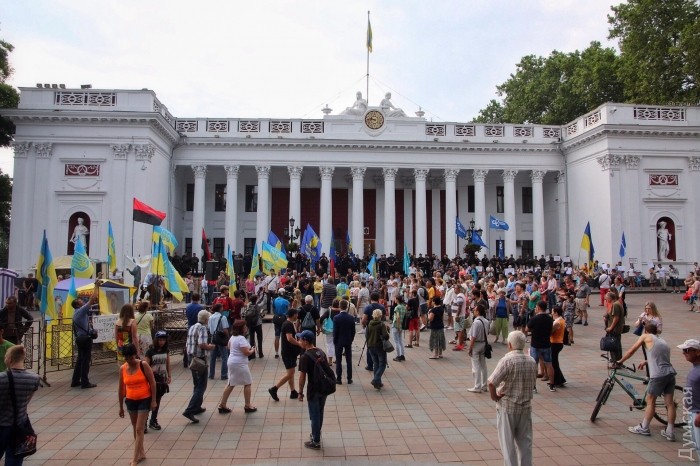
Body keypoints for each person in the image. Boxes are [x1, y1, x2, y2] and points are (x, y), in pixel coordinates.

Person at [618, 323, 677, 441]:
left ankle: (644, 427)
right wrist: (646, 361)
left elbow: (631, 351)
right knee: (670, 403)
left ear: (646, 330)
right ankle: (670, 432)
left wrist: (620, 361)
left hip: (658, 375)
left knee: (650, 401)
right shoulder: (662, 341)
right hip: (670, 373)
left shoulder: (645, 336)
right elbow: (661, 358)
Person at [487, 331, 537, 466]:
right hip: (525, 407)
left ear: (509, 344)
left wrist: (494, 397)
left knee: (508, 444)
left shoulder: (507, 360)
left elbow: (491, 382)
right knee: (525, 443)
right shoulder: (532, 360)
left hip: (507, 407)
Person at [0, 345, 40, 466]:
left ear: (10, 359)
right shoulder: (34, 379)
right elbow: (26, 401)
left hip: (2, 425)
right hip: (20, 426)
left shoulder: (1, 378)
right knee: (14, 460)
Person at [118, 343, 157, 466]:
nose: (129, 360)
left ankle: (135, 459)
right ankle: (142, 453)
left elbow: (153, 382)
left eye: (131, 357)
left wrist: (153, 400)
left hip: (144, 399)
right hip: (130, 401)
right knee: (135, 428)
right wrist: (121, 407)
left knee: (139, 429)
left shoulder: (143, 365)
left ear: (135, 355)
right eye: (126, 358)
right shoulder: (123, 368)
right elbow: (121, 389)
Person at [296, 329, 330, 450]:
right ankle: (316, 434)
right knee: (320, 412)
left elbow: (302, 376)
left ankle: (316, 440)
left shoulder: (305, 357)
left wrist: (300, 392)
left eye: (300, 339)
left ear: (305, 341)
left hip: (313, 389)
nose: (299, 341)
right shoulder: (321, 352)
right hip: (324, 387)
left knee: (314, 415)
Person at [218, 320, 257, 414]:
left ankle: (222, 404)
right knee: (247, 383)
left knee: (231, 383)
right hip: (240, 363)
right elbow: (246, 353)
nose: (246, 328)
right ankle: (247, 405)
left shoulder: (232, 337)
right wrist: (253, 350)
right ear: (241, 329)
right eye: (245, 327)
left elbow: (228, 347)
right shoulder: (241, 339)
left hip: (232, 361)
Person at [183, 310, 214, 423]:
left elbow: (188, 342)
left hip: (191, 357)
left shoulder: (192, 327)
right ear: (206, 320)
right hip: (199, 358)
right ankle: (190, 410)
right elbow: (202, 344)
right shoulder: (202, 328)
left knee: (197, 384)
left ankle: (197, 406)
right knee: (201, 385)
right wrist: (210, 347)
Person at [269, 308, 303, 401]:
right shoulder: (288, 324)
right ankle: (274, 389)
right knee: (290, 373)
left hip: (288, 352)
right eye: (296, 314)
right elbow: (289, 338)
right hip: (288, 352)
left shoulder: (288, 323)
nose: (297, 316)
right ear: (294, 315)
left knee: (290, 373)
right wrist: (299, 343)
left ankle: (293, 391)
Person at [71, 286, 99, 388]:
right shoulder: (81, 311)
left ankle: (75, 381)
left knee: (80, 360)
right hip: (85, 339)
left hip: (80, 339)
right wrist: (96, 286)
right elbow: (92, 299)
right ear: (77, 305)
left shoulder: (76, 313)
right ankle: (85, 382)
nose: (82, 301)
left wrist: (91, 330)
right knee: (85, 361)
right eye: (80, 301)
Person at [678, 339, 700, 460]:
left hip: (697, 413)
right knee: (697, 446)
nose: (683, 353)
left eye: (686, 350)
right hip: (692, 412)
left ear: (697, 352)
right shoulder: (695, 367)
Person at [144, 330, 170, 431]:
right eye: (160, 340)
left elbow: (167, 363)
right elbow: (146, 365)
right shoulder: (150, 351)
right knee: (149, 400)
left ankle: (153, 420)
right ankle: (144, 422)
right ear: (156, 340)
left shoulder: (166, 350)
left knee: (158, 400)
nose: (162, 342)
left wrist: (169, 375)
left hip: (162, 379)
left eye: (163, 340)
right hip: (152, 379)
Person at [527, 300, 556, 392]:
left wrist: (533, 330)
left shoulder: (534, 318)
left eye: (536, 307)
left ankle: (533, 386)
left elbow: (527, 329)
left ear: (539, 308)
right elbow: (551, 329)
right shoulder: (549, 318)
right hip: (546, 344)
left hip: (535, 344)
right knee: (549, 364)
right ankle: (552, 385)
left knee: (534, 365)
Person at [467, 303, 490, 392]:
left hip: (476, 344)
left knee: (476, 366)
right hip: (484, 343)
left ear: (478, 312)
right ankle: (484, 385)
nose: (473, 311)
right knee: (483, 365)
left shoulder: (476, 322)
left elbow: (473, 337)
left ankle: (477, 386)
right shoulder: (486, 321)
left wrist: (470, 348)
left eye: (475, 310)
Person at [333, 299, 356, 384]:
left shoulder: (336, 318)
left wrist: (335, 340)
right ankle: (349, 378)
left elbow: (335, 331)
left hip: (339, 340)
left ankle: (339, 379)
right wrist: (351, 339)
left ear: (339, 306)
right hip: (348, 340)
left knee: (338, 360)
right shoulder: (351, 318)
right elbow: (353, 331)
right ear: (347, 307)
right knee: (348, 360)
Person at [366, 308, 389, 389]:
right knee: (382, 364)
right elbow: (386, 336)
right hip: (379, 346)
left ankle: (378, 383)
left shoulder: (369, 324)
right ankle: (376, 379)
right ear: (380, 316)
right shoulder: (381, 324)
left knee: (376, 364)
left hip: (371, 346)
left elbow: (366, 335)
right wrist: (387, 331)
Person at [208, 303, 229, 380]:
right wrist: (228, 337)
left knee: (212, 357)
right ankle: (223, 375)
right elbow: (225, 329)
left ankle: (211, 374)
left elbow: (209, 328)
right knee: (224, 357)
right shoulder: (222, 317)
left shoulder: (210, 317)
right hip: (221, 338)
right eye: (222, 307)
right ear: (220, 309)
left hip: (213, 338)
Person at [604, 291, 625, 363]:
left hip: (615, 329)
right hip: (617, 329)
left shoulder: (615, 304)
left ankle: (616, 362)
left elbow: (616, 318)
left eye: (606, 298)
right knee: (617, 345)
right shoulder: (617, 303)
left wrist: (611, 328)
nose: (606, 300)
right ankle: (618, 361)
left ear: (610, 298)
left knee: (613, 346)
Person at [183, 293, 203, 367]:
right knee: (197, 343)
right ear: (198, 298)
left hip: (190, 326)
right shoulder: (200, 307)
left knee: (188, 343)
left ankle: (185, 360)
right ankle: (196, 360)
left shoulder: (188, 306)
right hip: (197, 326)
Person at [550, 306, 567, 388]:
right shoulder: (561, 320)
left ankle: (557, 381)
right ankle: (560, 379)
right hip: (558, 343)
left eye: (552, 311)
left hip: (555, 343)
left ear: (556, 313)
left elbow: (550, 332)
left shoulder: (557, 322)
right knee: (555, 362)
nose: (551, 313)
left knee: (554, 363)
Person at [272, 288, 290, 359]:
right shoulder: (286, 301)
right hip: (284, 319)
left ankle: (276, 352)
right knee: (285, 336)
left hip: (276, 318)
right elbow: (289, 311)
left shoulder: (274, 300)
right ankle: (284, 351)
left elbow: (273, 309)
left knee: (277, 336)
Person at [390, 295, 406, 362]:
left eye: (395, 299)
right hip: (401, 325)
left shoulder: (397, 307)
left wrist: (398, 326)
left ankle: (398, 355)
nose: (394, 300)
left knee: (396, 341)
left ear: (397, 300)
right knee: (400, 341)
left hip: (396, 325)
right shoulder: (403, 307)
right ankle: (402, 355)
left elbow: (397, 317)